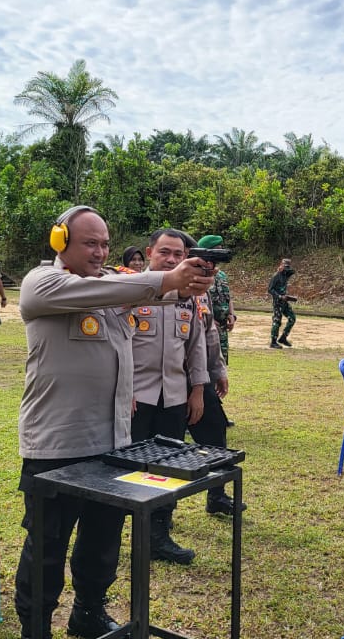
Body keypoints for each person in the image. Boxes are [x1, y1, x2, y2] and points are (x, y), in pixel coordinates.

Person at [13, 206, 212, 637]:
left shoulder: (109, 288)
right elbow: (136, 288)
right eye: (90, 243)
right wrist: (167, 278)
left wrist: (188, 280)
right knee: (47, 546)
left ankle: (88, 612)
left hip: (114, 444)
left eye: (104, 243)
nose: (100, 251)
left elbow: (154, 294)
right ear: (60, 241)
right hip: (57, 447)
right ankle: (35, 627)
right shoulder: (41, 283)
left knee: (102, 541)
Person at [131, 228, 209, 565]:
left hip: (174, 398)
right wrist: (122, 392)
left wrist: (198, 391)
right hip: (135, 398)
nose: (173, 259)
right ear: (150, 253)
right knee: (127, 470)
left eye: (179, 254)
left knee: (166, 471)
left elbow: (196, 346)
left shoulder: (189, 296)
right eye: (165, 252)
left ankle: (159, 536)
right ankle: (121, 531)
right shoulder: (130, 292)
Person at [186, 234, 243, 515]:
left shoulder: (202, 290)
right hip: (162, 384)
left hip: (199, 379)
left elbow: (208, 334)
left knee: (215, 433)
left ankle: (217, 495)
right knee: (161, 451)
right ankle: (158, 521)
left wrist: (217, 370)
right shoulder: (150, 291)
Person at [208, 260, 235, 365]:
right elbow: (197, 300)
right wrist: (209, 319)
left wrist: (231, 315)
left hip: (223, 328)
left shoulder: (222, 275)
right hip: (208, 327)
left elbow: (228, 296)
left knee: (222, 364)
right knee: (210, 363)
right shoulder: (200, 276)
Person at [267, 257, 296, 348]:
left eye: (287, 267)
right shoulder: (276, 276)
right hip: (278, 302)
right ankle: (273, 341)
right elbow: (270, 290)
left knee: (292, 318)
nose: (286, 269)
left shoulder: (286, 274)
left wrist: (286, 269)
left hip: (285, 301)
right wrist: (279, 296)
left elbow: (293, 271)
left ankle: (283, 337)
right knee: (277, 321)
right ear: (281, 265)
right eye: (284, 266)